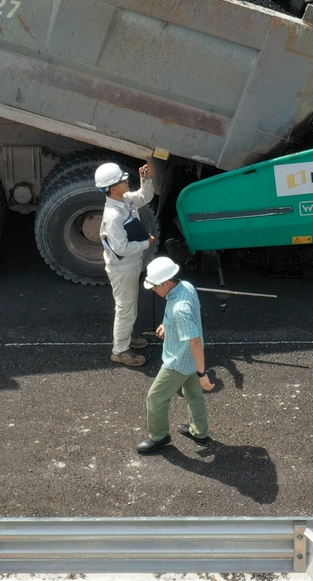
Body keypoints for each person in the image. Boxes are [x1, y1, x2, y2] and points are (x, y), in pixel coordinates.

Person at [136, 256, 217, 454]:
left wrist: (202, 374)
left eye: (155, 286)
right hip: (190, 359)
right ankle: (199, 432)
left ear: (167, 282)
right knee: (193, 395)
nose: (153, 290)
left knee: (155, 398)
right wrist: (168, 325)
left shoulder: (179, 308)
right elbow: (194, 312)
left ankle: (159, 436)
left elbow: (195, 340)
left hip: (178, 361)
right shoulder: (186, 287)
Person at [99, 159, 159, 368]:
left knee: (129, 306)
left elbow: (145, 196)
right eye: (123, 180)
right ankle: (120, 351)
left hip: (130, 266)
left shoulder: (124, 200)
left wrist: (146, 179)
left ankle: (125, 338)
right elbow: (121, 248)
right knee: (125, 308)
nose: (127, 181)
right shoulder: (113, 216)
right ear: (113, 188)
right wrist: (146, 243)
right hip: (123, 268)